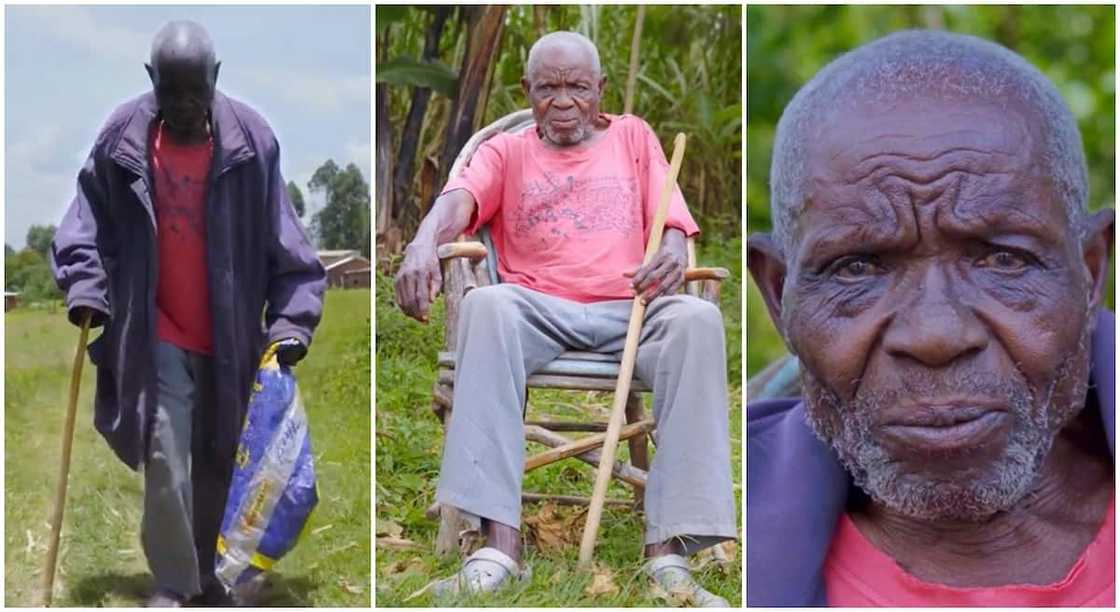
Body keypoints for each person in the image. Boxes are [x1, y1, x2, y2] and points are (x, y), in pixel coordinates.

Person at [746, 30, 1115, 606]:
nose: (936, 336)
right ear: (778, 294)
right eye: (858, 268)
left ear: (1090, 273)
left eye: (1003, 259)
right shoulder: (726, 520)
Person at [394, 31, 736, 606]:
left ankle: (669, 555)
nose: (563, 101)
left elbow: (672, 220)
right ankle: (497, 548)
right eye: (548, 88)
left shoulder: (632, 137)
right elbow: (458, 201)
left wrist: (676, 247)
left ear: (598, 89)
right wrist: (423, 241)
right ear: (527, 91)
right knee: (487, 304)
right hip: (539, 314)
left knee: (698, 323)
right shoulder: (506, 152)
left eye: (577, 87)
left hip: (633, 311)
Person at [51, 20, 326, 607]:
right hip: (155, 330)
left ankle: (214, 576)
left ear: (215, 79)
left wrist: (292, 322)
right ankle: (174, 585)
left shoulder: (252, 143)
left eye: (193, 92)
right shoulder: (121, 140)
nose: (181, 105)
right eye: (169, 92)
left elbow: (289, 244)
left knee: (220, 461)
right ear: (151, 80)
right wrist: (85, 286)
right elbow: (84, 223)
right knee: (165, 455)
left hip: (230, 337)